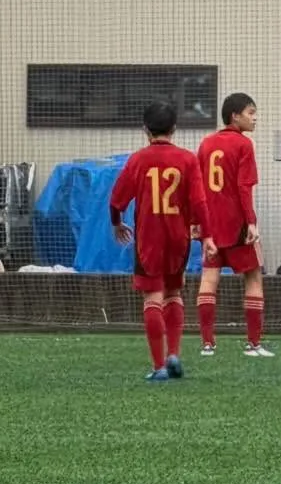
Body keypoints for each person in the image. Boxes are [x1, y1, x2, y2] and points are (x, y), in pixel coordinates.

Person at [110, 101, 213, 382]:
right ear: (174, 128)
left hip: (149, 238)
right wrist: (207, 236)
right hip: (178, 237)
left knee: (152, 297)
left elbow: (117, 199)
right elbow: (200, 202)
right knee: (174, 294)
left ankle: (159, 367)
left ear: (145, 130)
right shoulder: (187, 159)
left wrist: (117, 223)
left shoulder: (138, 160)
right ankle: (175, 353)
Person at [196, 92, 272, 360]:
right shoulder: (243, 145)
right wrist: (251, 221)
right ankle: (253, 344)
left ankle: (207, 344)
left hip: (211, 226)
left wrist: (199, 224)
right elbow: (243, 187)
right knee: (253, 277)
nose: (255, 118)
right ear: (234, 116)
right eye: (251, 113)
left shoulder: (206, 144)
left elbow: (198, 188)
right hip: (237, 225)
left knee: (208, 279)